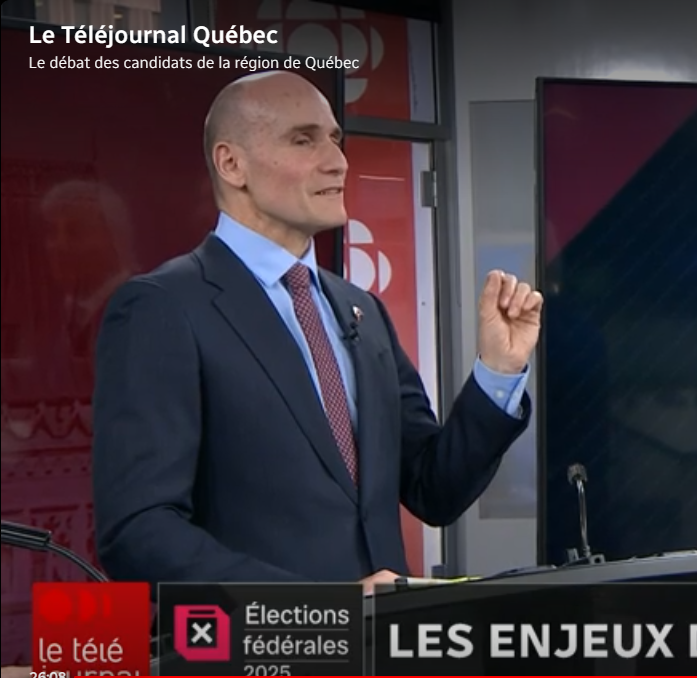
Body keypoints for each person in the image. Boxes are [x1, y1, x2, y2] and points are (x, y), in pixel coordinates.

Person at [91, 70, 543, 591]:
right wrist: (323, 608)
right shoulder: (164, 307)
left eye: (335, 139)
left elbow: (433, 490)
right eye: (304, 140)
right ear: (232, 164)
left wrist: (498, 372)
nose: (338, 162)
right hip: (262, 639)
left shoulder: (361, 311)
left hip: (384, 638)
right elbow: (139, 532)